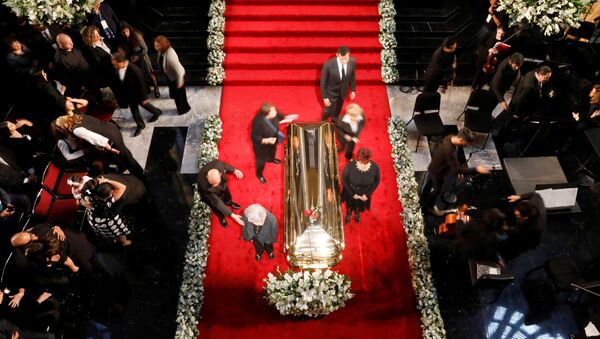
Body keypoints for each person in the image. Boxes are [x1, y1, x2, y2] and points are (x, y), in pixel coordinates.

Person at [52, 113, 145, 179]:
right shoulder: (78, 117)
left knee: (126, 156)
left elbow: (95, 138)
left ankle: (140, 175)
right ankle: (127, 168)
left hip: (109, 137)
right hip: (111, 128)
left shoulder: (76, 130)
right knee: (123, 154)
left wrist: (109, 147)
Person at [420, 129, 490, 215]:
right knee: (436, 189)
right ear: (461, 140)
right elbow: (456, 169)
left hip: (437, 167)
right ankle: (428, 207)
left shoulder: (450, 138)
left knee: (431, 184)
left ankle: (426, 193)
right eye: (466, 143)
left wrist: (458, 169)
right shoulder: (449, 151)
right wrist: (476, 169)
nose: (467, 145)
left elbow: (454, 162)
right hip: (437, 171)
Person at [111, 51, 162, 137]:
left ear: (121, 62)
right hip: (130, 94)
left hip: (138, 94)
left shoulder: (134, 69)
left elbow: (141, 83)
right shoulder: (119, 69)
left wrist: (144, 97)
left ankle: (156, 112)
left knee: (145, 105)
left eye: (115, 64)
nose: (114, 66)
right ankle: (141, 125)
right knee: (134, 110)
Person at [250, 102, 297, 184]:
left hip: (273, 139)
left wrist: (287, 117)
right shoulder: (257, 122)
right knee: (261, 161)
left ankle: (272, 159)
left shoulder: (274, 114)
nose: (276, 111)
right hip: (262, 147)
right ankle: (259, 175)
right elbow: (254, 137)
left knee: (273, 151)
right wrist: (267, 140)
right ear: (267, 114)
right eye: (273, 111)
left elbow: (280, 116)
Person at [81, 179, 132, 246]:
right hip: (110, 223)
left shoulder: (87, 197)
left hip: (95, 221)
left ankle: (112, 240)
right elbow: (123, 187)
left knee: (105, 233)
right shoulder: (109, 199)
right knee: (119, 233)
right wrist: (106, 180)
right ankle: (124, 242)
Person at [52, 33, 102, 101]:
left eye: (71, 41)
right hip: (83, 84)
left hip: (91, 75)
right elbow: (68, 78)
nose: (72, 44)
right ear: (61, 46)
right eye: (68, 43)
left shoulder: (72, 46)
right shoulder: (60, 60)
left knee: (98, 93)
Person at [499, 192, 546, 260]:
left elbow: (516, 231)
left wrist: (505, 228)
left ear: (525, 217)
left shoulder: (532, 226)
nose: (516, 214)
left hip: (529, 239)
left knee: (514, 246)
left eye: (518, 215)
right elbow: (535, 194)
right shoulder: (536, 202)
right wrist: (519, 197)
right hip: (524, 229)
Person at [197, 159, 244, 228]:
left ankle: (229, 202)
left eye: (217, 183)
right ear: (207, 177)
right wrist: (232, 215)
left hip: (222, 185)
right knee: (214, 206)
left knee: (226, 194)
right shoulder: (204, 186)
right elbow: (217, 202)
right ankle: (221, 216)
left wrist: (234, 170)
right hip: (208, 194)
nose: (216, 186)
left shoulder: (218, 165)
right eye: (213, 184)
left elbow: (225, 166)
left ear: (220, 173)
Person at [341, 147, 380, 224]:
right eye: (359, 162)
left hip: (364, 193)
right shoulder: (350, 166)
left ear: (368, 160)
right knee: (349, 205)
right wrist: (352, 194)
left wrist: (367, 194)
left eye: (364, 163)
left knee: (359, 206)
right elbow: (344, 180)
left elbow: (377, 181)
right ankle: (348, 213)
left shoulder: (375, 167)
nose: (361, 165)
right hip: (351, 192)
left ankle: (357, 213)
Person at [153, 35, 191, 114]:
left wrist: (180, 82)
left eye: (157, 46)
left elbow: (180, 71)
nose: (155, 48)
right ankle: (173, 95)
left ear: (163, 45)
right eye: (155, 45)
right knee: (173, 91)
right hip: (170, 75)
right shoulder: (162, 51)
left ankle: (184, 110)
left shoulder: (170, 56)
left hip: (178, 77)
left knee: (180, 96)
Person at [119, 23, 159, 98]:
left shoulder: (137, 35)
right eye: (123, 32)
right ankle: (146, 89)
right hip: (134, 59)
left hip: (142, 57)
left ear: (129, 29)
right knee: (141, 75)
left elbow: (145, 49)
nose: (125, 33)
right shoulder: (123, 39)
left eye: (127, 31)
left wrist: (138, 56)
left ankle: (156, 88)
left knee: (149, 73)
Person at [320, 46, 356, 120]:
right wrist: (325, 97)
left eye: (346, 59)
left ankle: (334, 119)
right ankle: (323, 121)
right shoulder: (328, 65)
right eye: (342, 59)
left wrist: (353, 89)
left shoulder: (352, 62)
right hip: (331, 93)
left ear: (349, 54)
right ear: (337, 55)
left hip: (343, 92)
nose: (344, 61)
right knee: (328, 111)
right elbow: (323, 82)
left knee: (338, 108)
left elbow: (352, 76)